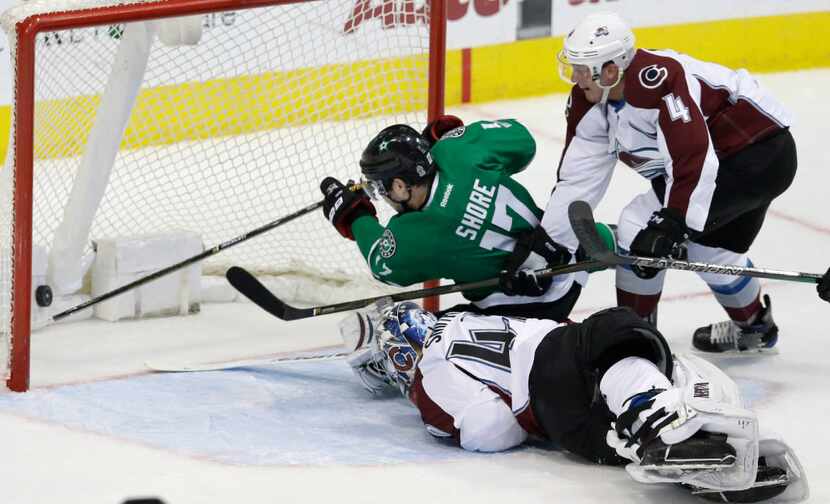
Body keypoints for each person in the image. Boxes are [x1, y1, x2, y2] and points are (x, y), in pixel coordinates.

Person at [338, 300, 808, 503]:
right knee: (628, 349)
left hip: (555, 396)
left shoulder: (430, 374)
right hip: (575, 344)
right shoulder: (460, 320)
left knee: (619, 390)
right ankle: (663, 426)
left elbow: (489, 428)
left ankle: (685, 445)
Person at [540, 11, 797, 353]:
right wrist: (548, 243)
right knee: (711, 250)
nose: (575, 76)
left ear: (611, 70)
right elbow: (577, 179)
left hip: (754, 157)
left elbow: (692, 154)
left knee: (636, 226)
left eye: (583, 68)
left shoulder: (658, 82)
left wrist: (673, 220)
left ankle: (637, 343)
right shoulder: (591, 102)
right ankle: (755, 327)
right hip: (744, 160)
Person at [319, 117, 614, 321]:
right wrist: (453, 138)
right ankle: (620, 240)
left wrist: (355, 216)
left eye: (382, 187)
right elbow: (523, 142)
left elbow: (382, 266)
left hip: (522, 310)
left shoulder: (415, 234)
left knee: (404, 329)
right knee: (618, 234)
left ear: (400, 186)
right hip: (569, 258)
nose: (381, 195)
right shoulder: (454, 152)